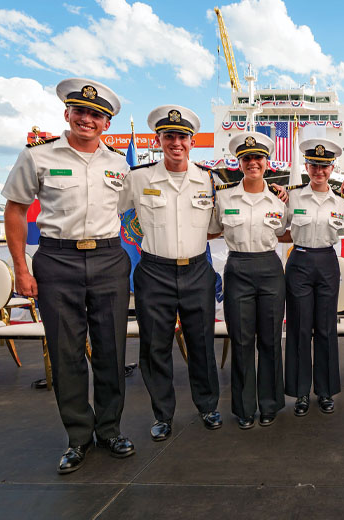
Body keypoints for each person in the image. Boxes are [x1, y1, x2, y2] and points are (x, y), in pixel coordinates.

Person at [2, 78, 134, 474]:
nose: (87, 119)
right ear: (67, 114)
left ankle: (110, 430)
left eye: (96, 115)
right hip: (57, 262)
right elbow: (13, 210)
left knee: (111, 349)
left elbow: (125, 210)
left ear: (106, 124)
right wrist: (21, 269)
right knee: (66, 353)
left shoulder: (118, 163)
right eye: (81, 111)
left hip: (109, 258)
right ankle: (78, 437)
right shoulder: (37, 157)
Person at [121, 105, 222, 440]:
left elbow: (220, 223)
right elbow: (109, 209)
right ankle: (162, 414)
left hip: (196, 270)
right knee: (155, 346)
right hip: (154, 271)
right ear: (159, 139)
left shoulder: (209, 179)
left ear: (192, 142)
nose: (175, 142)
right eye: (169, 136)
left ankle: (207, 406)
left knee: (202, 344)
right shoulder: (137, 178)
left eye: (182, 136)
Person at [210, 132, 286, 429]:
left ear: (267, 163)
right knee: (241, 341)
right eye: (247, 158)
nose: (252, 162)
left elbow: (286, 231)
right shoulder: (224, 197)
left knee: (270, 340)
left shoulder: (280, 199)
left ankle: (269, 404)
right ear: (239, 163)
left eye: (258, 158)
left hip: (269, 268)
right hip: (238, 267)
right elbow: (213, 229)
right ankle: (244, 408)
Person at [284, 138, 344, 416]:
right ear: (307, 167)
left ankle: (324, 391)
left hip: (327, 261)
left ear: (332, 168)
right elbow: (278, 226)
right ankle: (300, 392)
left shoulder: (341, 202)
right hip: (299, 261)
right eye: (314, 165)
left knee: (325, 328)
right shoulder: (292, 197)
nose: (319, 171)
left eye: (324, 166)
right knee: (299, 328)